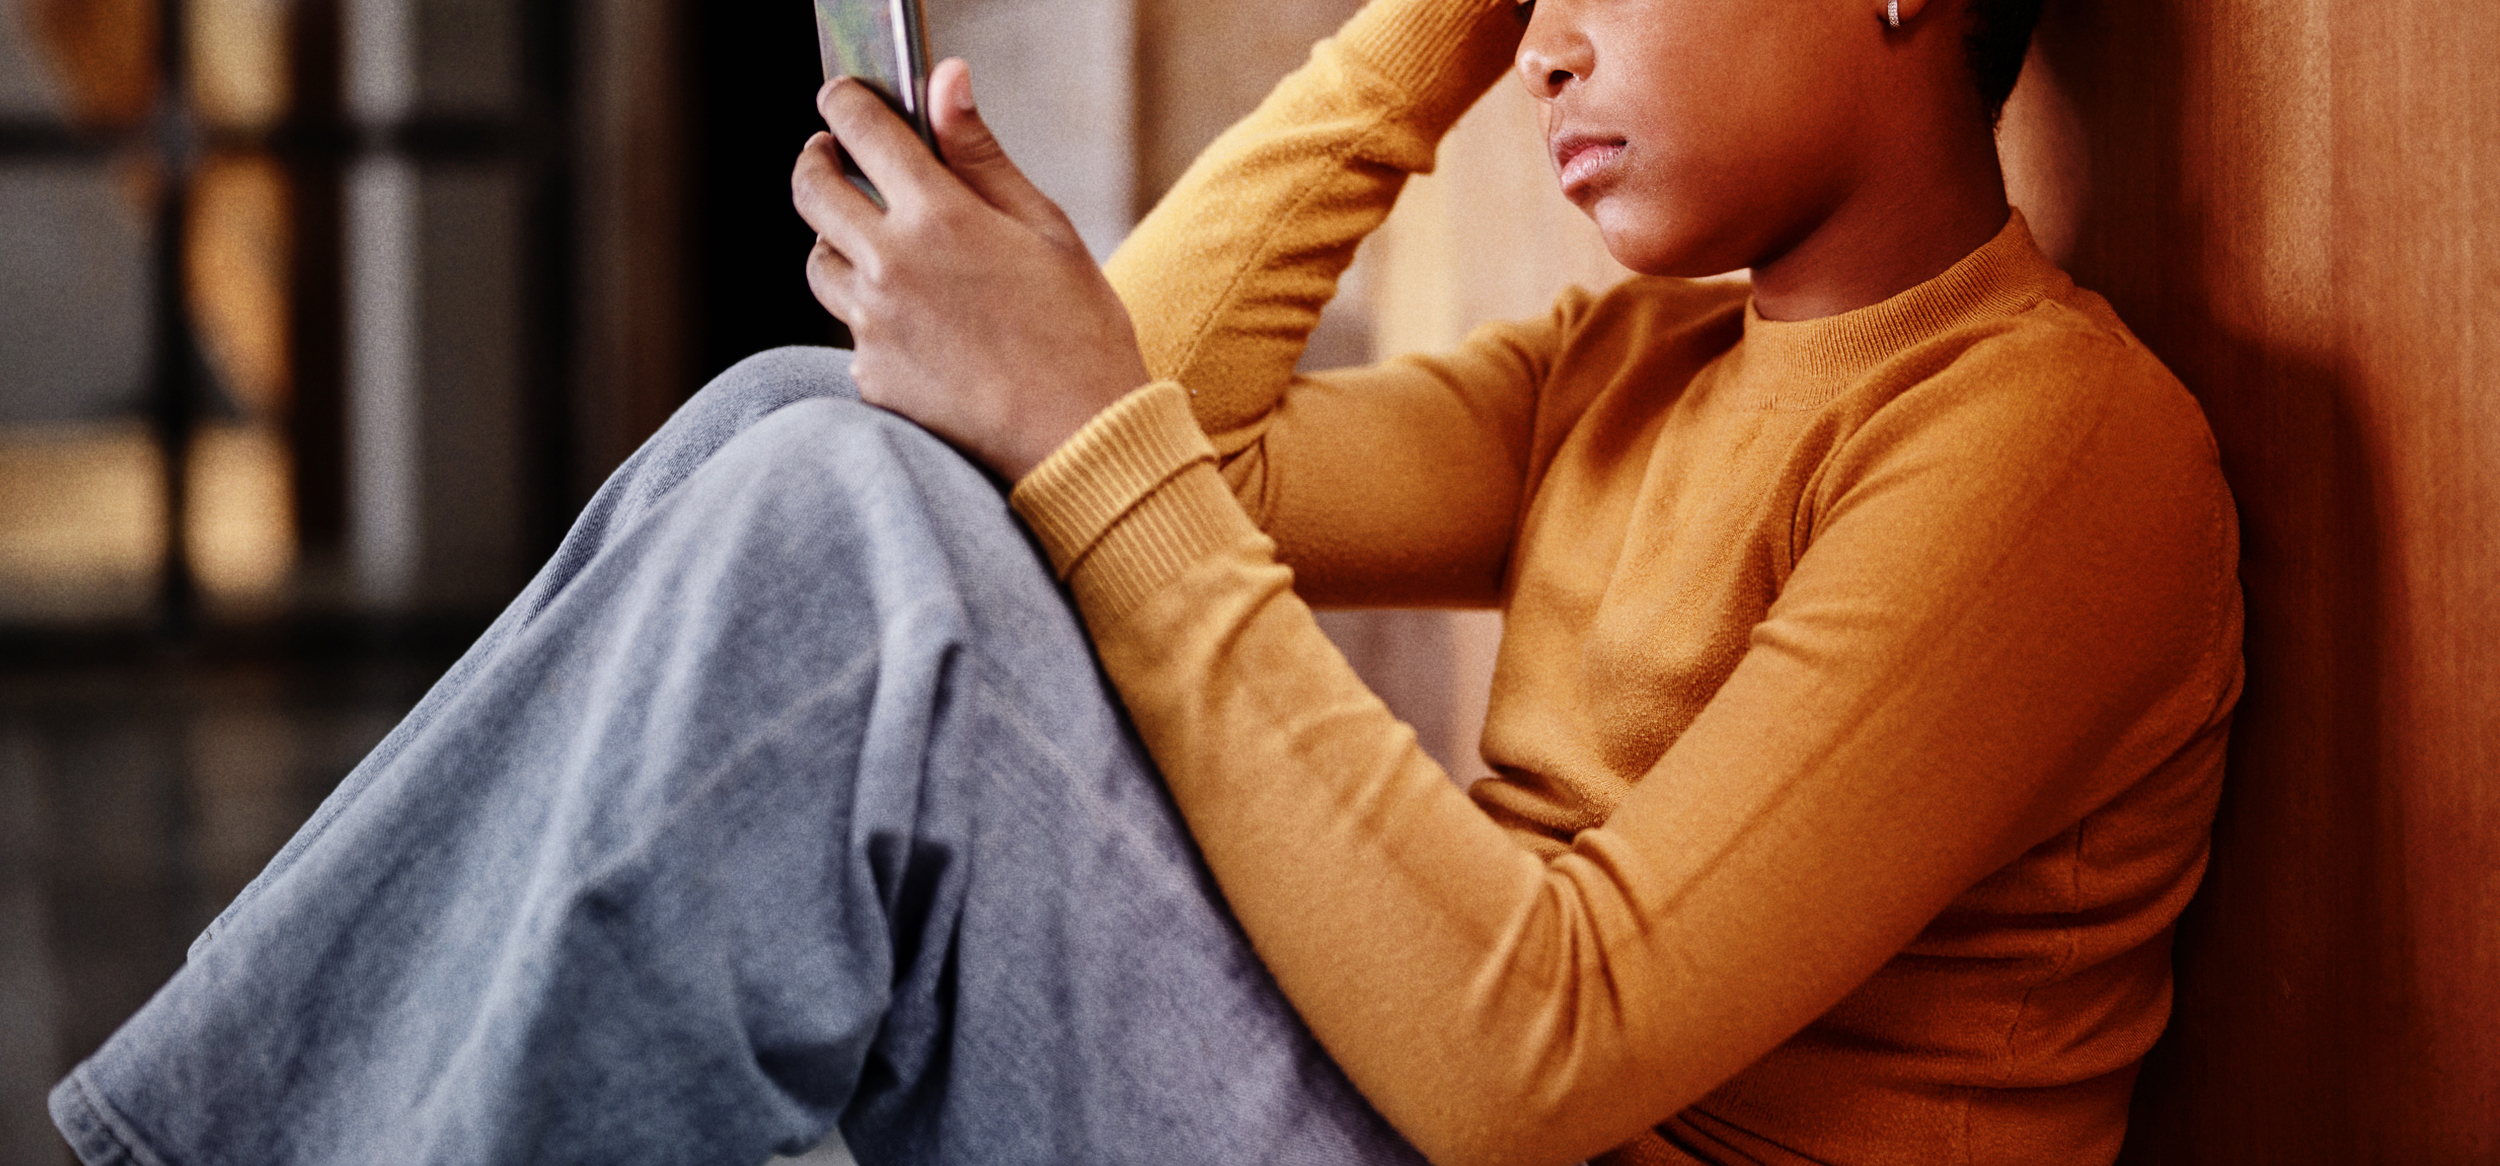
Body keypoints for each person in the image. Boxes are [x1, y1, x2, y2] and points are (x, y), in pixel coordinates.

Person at [53, 0, 2241, 1163]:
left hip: (1492, 1121)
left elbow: (1535, 1057)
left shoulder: (2041, 438)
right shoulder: (1640, 356)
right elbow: (1112, 442)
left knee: (843, 518)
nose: (1546, 43)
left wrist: (1074, 412)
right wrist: (1408, 47)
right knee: (802, 430)